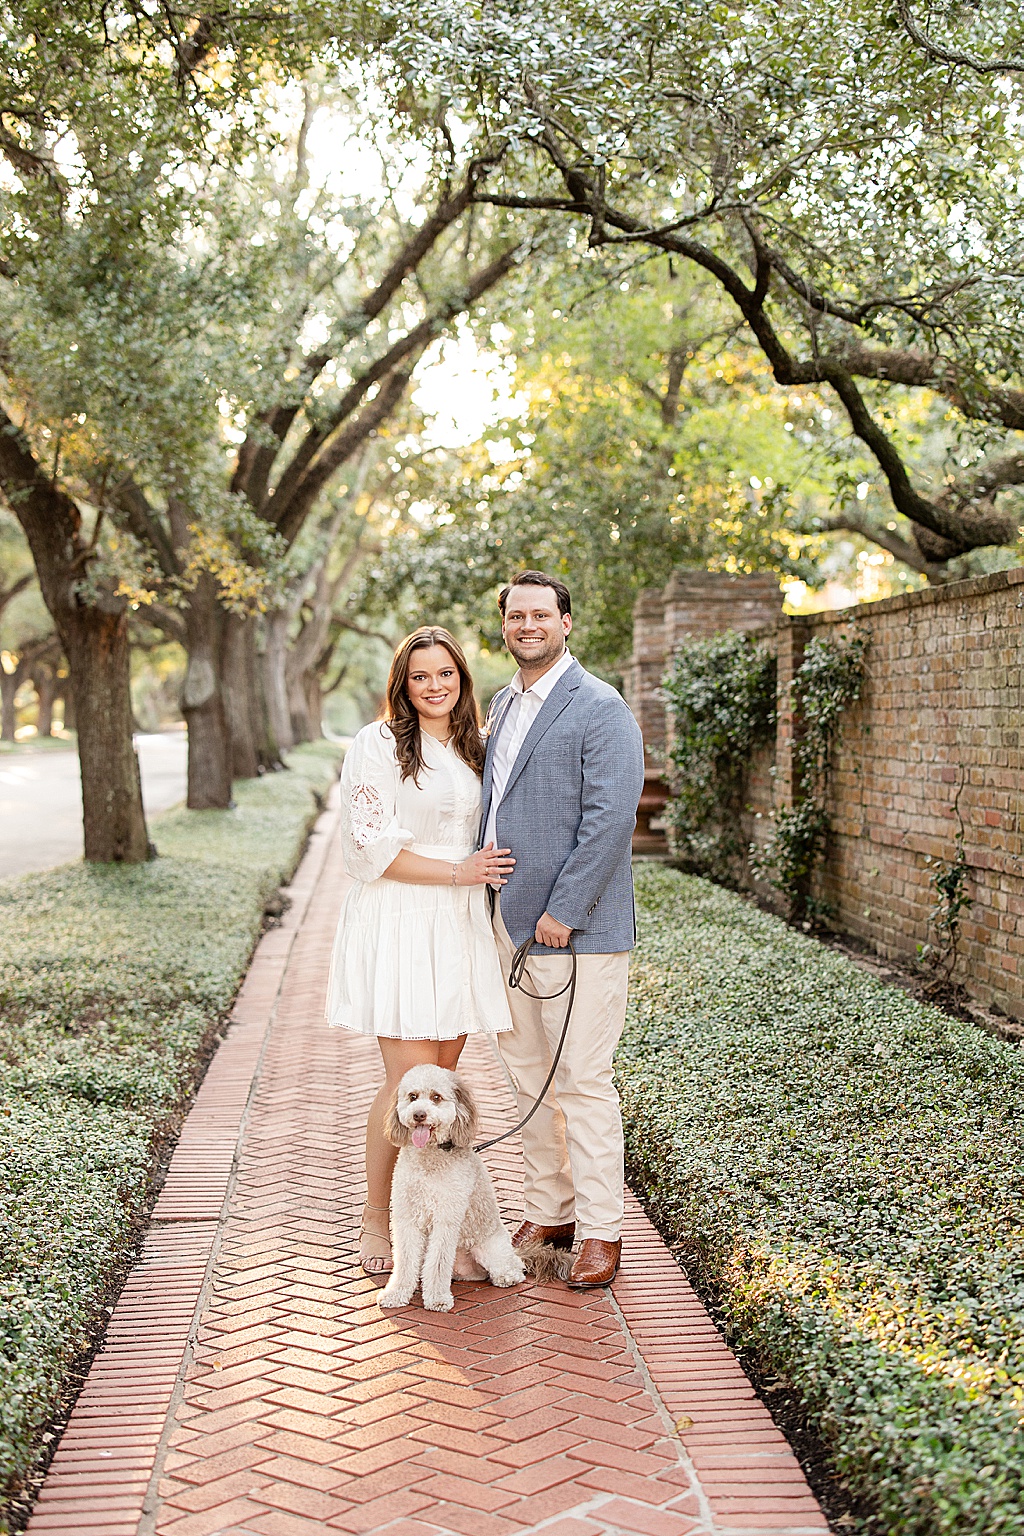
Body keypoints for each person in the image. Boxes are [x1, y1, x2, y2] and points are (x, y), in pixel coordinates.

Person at [327, 626, 515, 1276]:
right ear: (402, 685)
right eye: (421, 676)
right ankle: (376, 1217)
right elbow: (369, 849)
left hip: (459, 925)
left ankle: (444, 1226)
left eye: (446, 674)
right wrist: (459, 873)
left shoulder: (473, 745)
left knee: (438, 1089)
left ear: (462, 679)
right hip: (403, 917)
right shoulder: (378, 744)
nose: (435, 686)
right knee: (405, 1085)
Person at [483, 571, 645, 1289]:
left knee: (582, 1080)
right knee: (527, 1077)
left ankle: (602, 1229)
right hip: (505, 925)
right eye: (516, 615)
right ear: (505, 625)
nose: (528, 625)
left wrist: (565, 911)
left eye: (541, 614)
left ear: (565, 622)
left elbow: (610, 820)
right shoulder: (502, 703)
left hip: (574, 932)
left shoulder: (600, 706)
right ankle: (549, 1212)